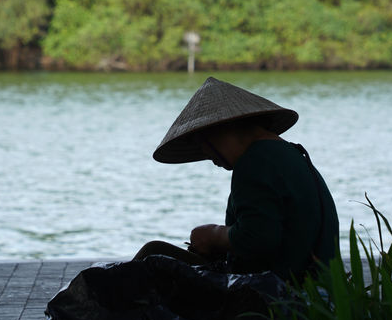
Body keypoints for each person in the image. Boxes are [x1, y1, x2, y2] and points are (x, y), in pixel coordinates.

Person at [134, 76, 339, 282]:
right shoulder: (290, 154)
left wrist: (213, 235)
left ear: (218, 132)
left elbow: (258, 238)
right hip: (315, 286)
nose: (205, 153)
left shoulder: (254, 161)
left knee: (152, 253)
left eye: (202, 142)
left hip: (280, 295)